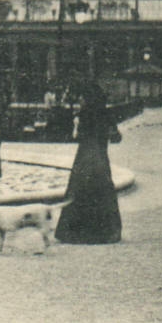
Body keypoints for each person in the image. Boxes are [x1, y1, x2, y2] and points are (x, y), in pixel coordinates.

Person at [55, 86, 123, 245]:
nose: (80, 100)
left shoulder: (84, 114)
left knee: (80, 191)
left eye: (82, 97)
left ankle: (76, 233)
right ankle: (104, 233)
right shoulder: (107, 114)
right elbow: (116, 137)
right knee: (102, 192)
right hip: (100, 157)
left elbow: (77, 136)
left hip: (85, 156)